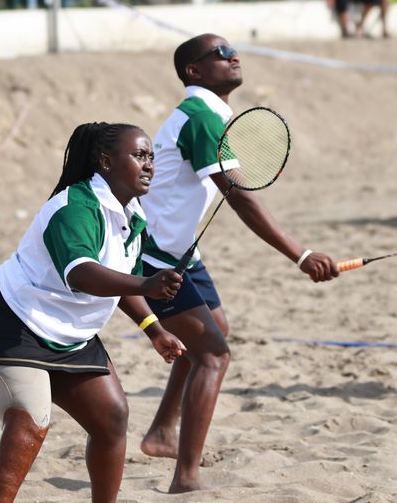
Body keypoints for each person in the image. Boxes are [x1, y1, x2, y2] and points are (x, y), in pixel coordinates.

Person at [137, 33, 340, 493]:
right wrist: (301, 255)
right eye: (220, 54)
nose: (233, 56)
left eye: (233, 51)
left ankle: (163, 432)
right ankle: (186, 480)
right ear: (194, 71)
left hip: (181, 248)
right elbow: (241, 198)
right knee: (214, 355)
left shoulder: (212, 115)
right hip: (154, 252)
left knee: (216, 329)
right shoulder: (201, 118)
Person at [0, 122, 187, 502]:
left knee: (112, 417)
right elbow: (81, 274)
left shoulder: (131, 212)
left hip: (70, 334)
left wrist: (154, 329)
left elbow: (121, 277)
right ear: (105, 162)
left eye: (151, 157)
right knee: (30, 423)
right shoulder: (75, 206)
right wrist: (146, 284)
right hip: (11, 324)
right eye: (138, 155)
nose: (149, 165)